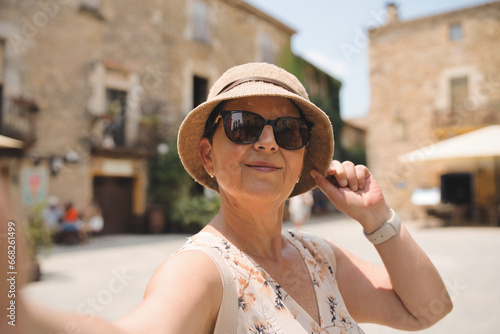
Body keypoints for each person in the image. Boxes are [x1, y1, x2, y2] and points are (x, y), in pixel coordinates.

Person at [15, 62, 452, 333]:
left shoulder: (321, 258)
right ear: (207, 154)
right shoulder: (202, 272)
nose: (267, 143)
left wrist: (378, 218)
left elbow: (426, 310)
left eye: (287, 131)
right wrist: (17, 317)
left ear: (301, 159)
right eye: (243, 125)